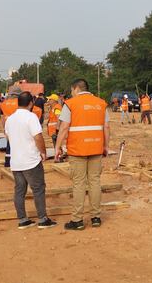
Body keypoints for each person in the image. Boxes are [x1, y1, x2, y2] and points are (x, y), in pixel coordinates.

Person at [54, 78, 109, 230]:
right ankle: (96, 217)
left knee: (79, 184)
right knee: (95, 182)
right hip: (96, 148)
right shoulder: (101, 103)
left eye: (72, 90)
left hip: (77, 150)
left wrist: (57, 147)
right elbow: (106, 127)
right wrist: (106, 146)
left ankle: (77, 220)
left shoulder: (71, 104)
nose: (71, 93)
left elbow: (64, 128)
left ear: (76, 88)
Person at [5, 91, 58, 230]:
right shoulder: (31, 117)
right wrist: (43, 152)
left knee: (19, 190)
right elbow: (38, 137)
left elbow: (8, 138)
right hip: (31, 161)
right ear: (30, 103)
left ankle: (22, 219)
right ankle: (42, 218)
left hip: (16, 162)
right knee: (38, 189)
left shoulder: (10, 119)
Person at [0, 93, 20, 167]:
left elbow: (2, 117)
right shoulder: (20, 102)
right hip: (18, 127)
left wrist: (4, 129)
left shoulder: (4, 104)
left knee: (9, 145)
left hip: (8, 126)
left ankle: (8, 163)